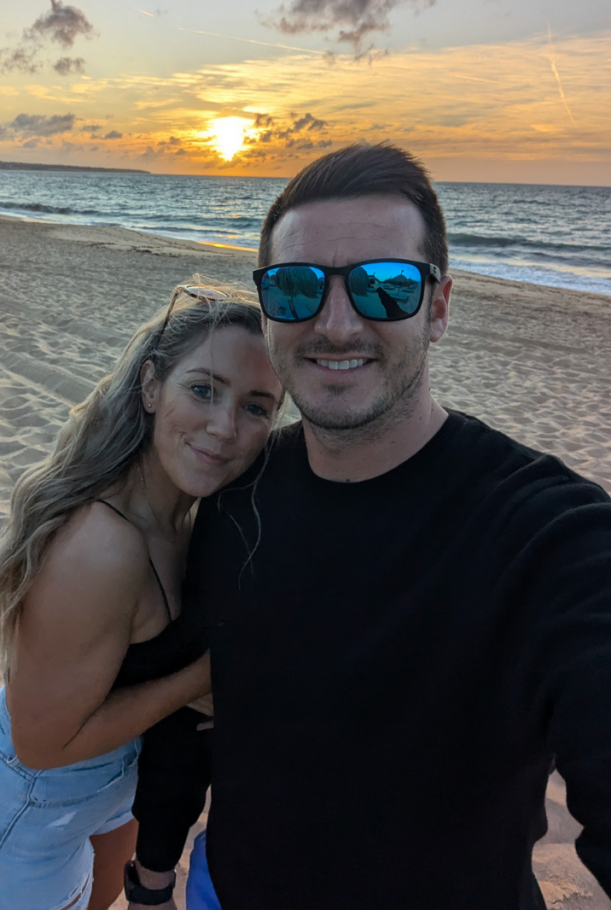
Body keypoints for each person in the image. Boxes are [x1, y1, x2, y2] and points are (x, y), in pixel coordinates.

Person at [184, 143, 611, 910]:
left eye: (385, 287)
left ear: (439, 307)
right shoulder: (231, 499)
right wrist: (154, 869)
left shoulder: (549, 538)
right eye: (296, 287)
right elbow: (197, 722)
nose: (336, 324)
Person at [0, 279, 283, 910]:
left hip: (109, 790)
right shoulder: (102, 548)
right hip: (27, 808)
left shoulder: (193, 513)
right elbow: (40, 744)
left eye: (257, 406)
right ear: (152, 386)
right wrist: (205, 678)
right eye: (204, 389)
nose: (224, 427)